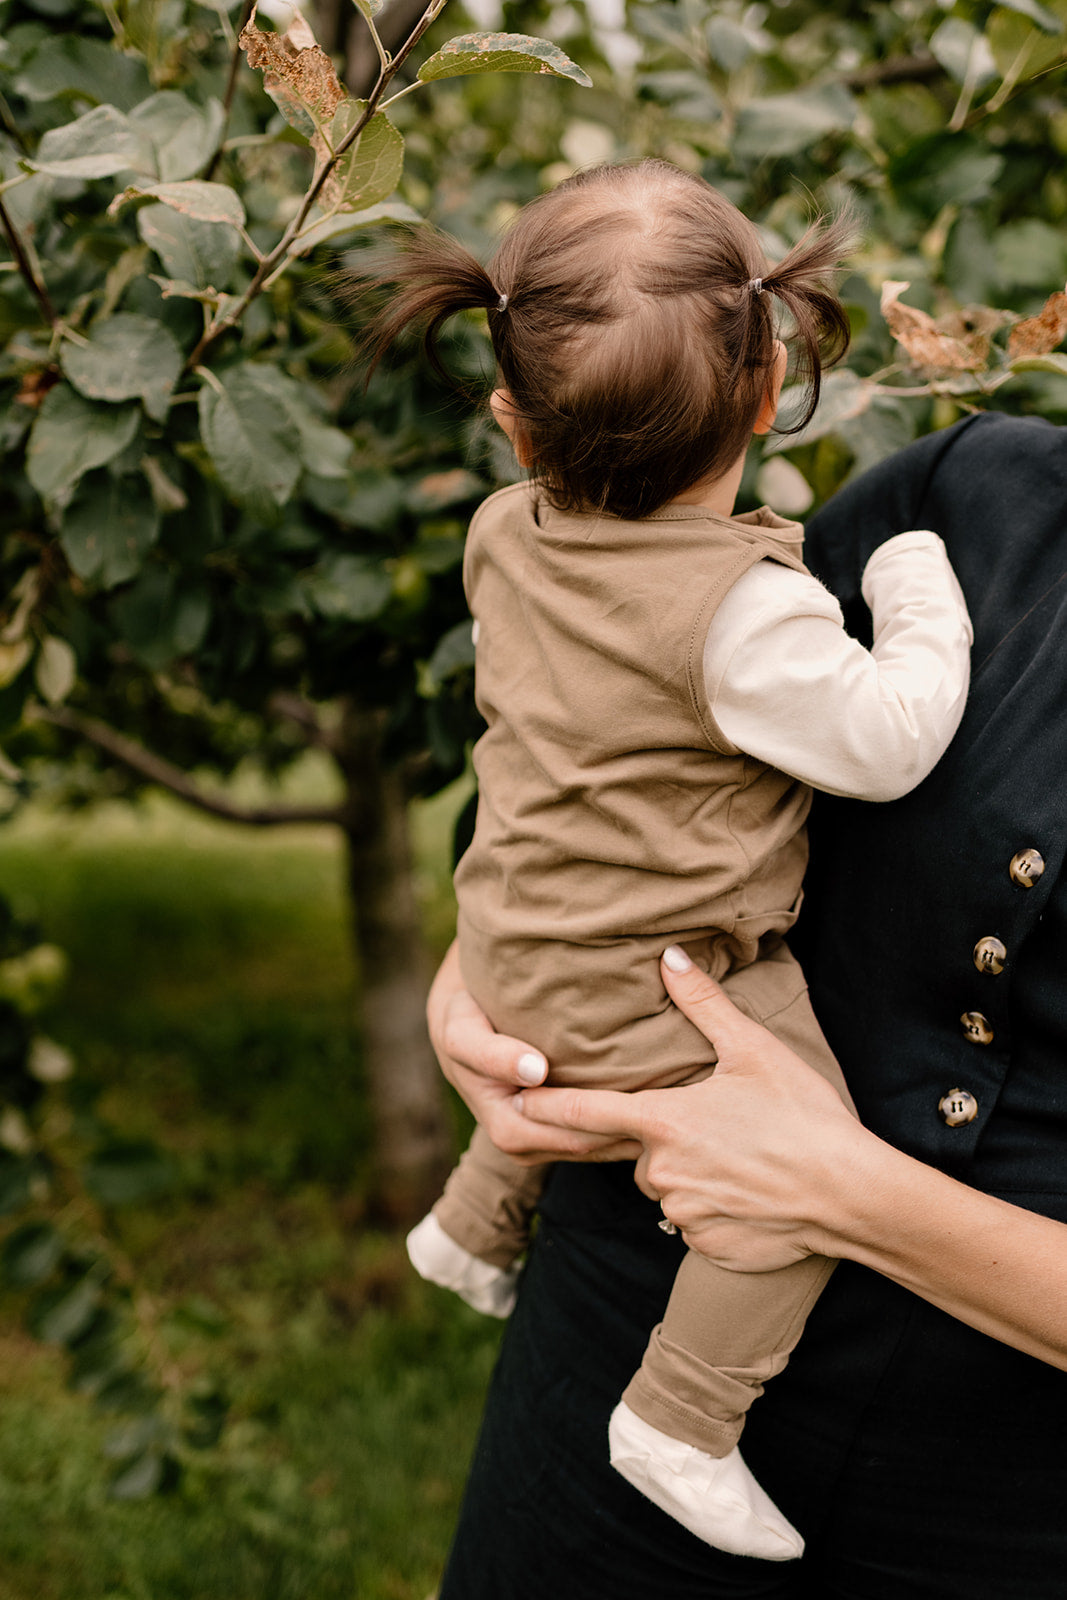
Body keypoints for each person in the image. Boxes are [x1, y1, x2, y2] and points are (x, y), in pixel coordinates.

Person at [369, 158, 972, 1561]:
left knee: (550, 1036)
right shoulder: (740, 622)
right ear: (765, 397)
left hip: (509, 936)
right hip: (657, 976)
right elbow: (885, 738)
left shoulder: (497, 535)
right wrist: (911, 591)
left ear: (510, 417)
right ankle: (682, 1416)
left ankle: (468, 1228)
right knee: (799, 1162)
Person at [427, 408, 1067, 1598]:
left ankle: (544, 1290)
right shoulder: (981, 490)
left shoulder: (507, 524)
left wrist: (839, 1189)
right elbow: (642, 726)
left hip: (993, 1502)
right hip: (618, 1308)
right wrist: (487, 975)